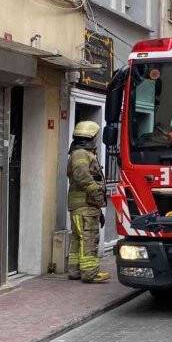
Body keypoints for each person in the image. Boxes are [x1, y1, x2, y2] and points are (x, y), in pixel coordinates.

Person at [67, 121, 110, 284]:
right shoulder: (80, 154)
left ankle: (74, 270)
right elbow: (81, 176)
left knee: (79, 239)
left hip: (83, 206)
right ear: (91, 136)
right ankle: (90, 273)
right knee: (89, 239)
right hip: (85, 205)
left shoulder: (81, 153)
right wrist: (96, 192)